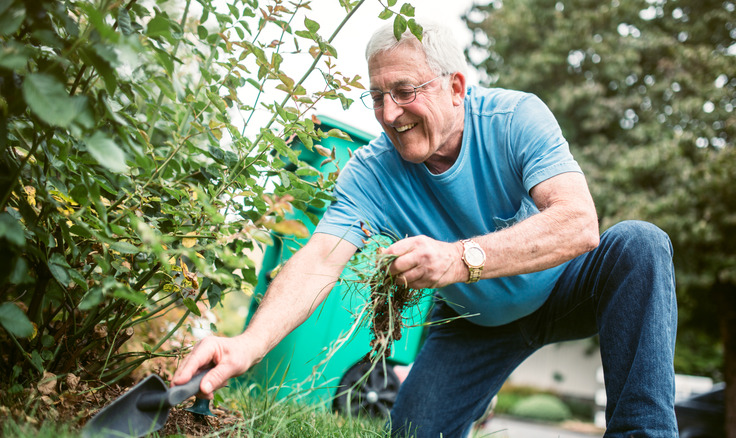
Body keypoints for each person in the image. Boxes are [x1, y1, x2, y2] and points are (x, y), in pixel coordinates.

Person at [173, 20, 679, 437]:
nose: (389, 115)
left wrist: (458, 258)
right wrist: (247, 344)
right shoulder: (372, 173)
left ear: (455, 86)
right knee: (413, 432)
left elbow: (578, 224)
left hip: (564, 285)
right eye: (377, 96)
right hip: (474, 320)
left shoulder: (515, 118)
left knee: (640, 244)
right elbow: (319, 259)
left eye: (404, 91)